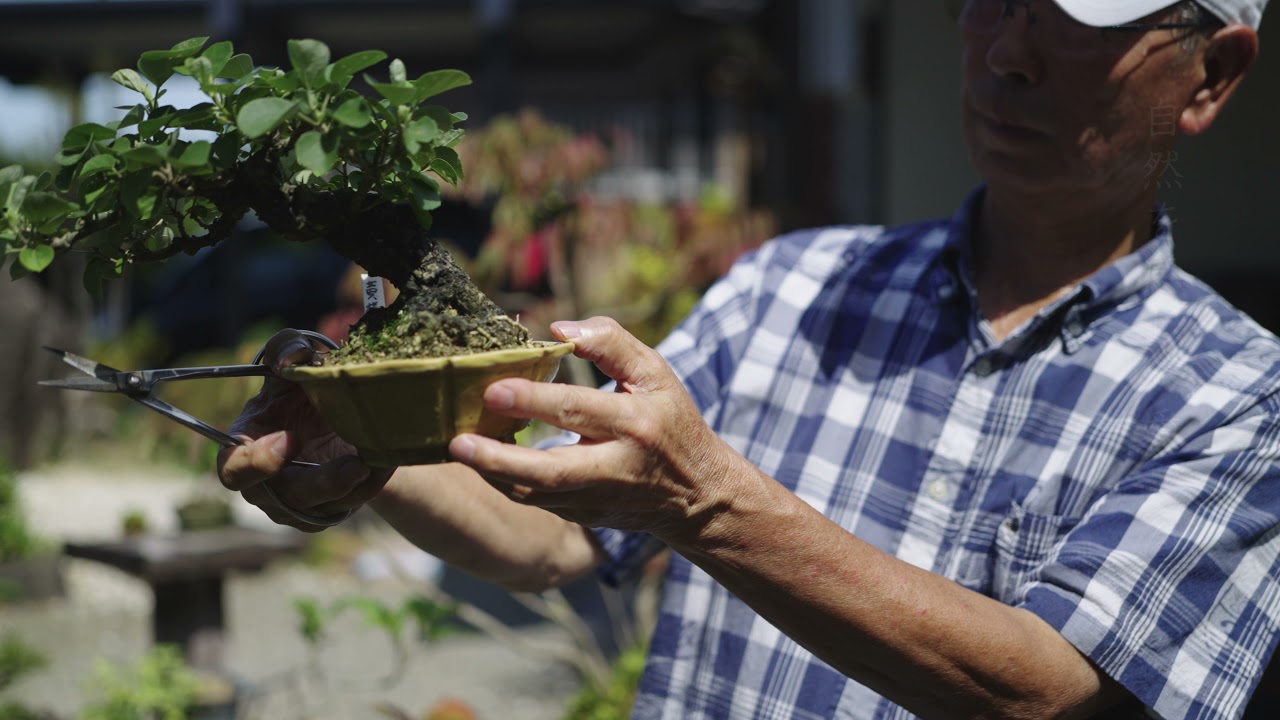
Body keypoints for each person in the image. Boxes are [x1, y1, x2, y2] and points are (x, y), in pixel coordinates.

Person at [219, 0, 1279, 717]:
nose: (1006, 52)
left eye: (1069, 19)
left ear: (1211, 74)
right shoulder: (793, 284)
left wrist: (706, 501)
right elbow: (560, 543)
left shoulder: (1238, 399)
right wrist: (373, 444)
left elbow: (1049, 697)